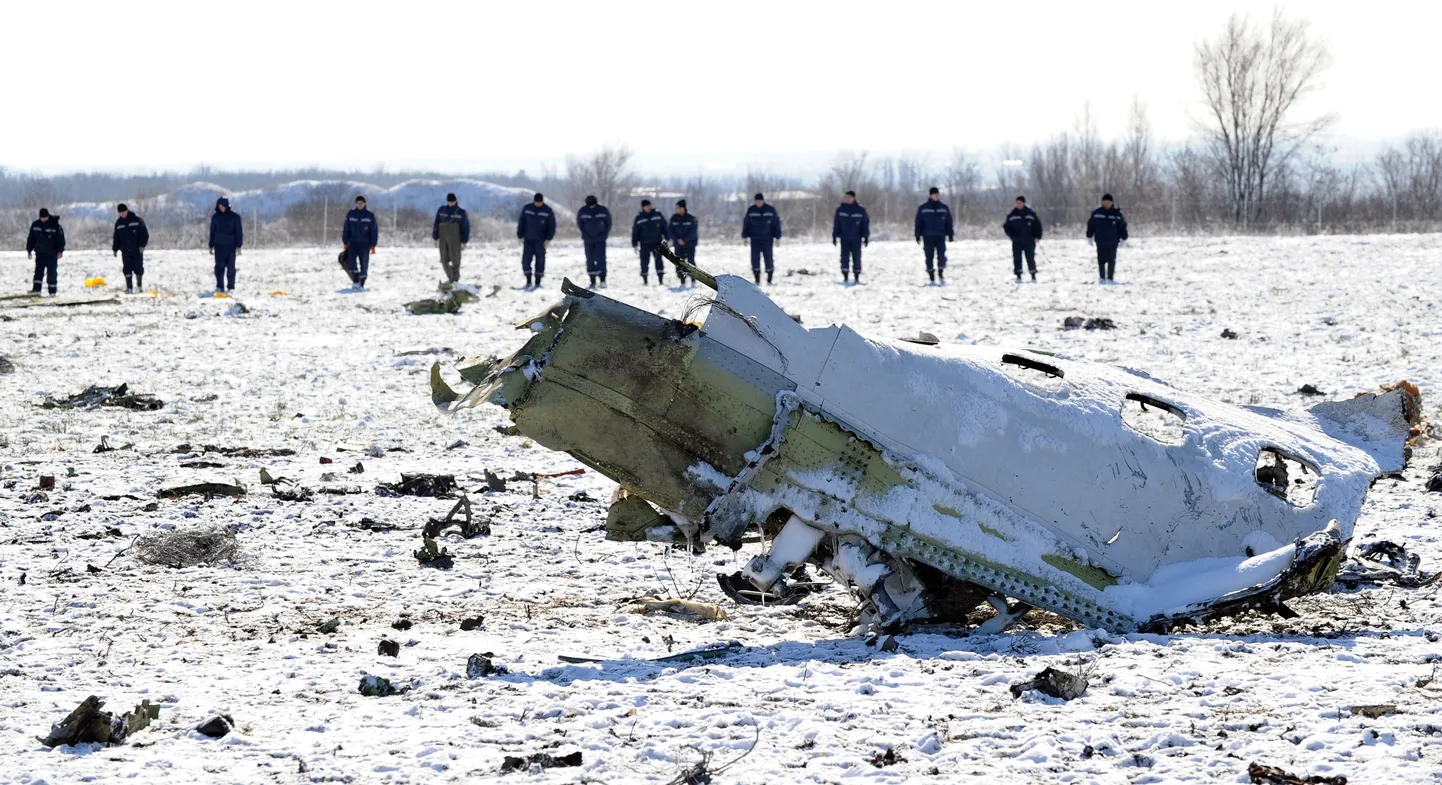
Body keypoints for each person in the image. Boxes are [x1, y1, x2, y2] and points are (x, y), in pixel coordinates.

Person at [1085, 193, 1129, 284]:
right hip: (1100, 241)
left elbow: (1122, 227)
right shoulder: (1097, 213)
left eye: (1108, 202)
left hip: (1113, 241)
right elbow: (1091, 225)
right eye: (1105, 202)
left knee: (1111, 260)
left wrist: (1124, 238)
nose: (1106, 204)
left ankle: (1110, 278)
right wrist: (1089, 236)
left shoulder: (1117, 214)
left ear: (1111, 203)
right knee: (1101, 260)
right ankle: (1101, 278)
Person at [914, 187, 954, 284]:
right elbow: (918, 223)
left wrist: (950, 234)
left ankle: (941, 273)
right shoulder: (923, 208)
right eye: (935, 194)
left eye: (938, 194)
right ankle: (931, 275)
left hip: (940, 236)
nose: (936, 196)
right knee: (929, 257)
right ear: (930, 195)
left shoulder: (944, 208)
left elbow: (949, 222)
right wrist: (917, 235)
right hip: (928, 236)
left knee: (941, 256)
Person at [741, 193, 781, 285]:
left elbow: (776, 224)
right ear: (755, 201)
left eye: (760, 201)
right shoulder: (751, 210)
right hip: (755, 239)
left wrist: (778, 237)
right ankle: (757, 279)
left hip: (768, 239)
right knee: (755, 259)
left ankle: (769, 280)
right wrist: (744, 236)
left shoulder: (770, 210)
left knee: (769, 259)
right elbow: (746, 224)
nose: (759, 203)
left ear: (763, 200)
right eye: (757, 201)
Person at [516, 192, 555, 289]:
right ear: (534, 201)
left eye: (540, 202)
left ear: (542, 201)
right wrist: (519, 234)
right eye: (536, 202)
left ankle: (538, 282)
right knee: (526, 261)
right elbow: (522, 221)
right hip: (528, 239)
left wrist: (549, 239)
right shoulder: (527, 208)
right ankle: (528, 280)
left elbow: (552, 226)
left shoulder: (547, 210)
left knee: (540, 261)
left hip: (541, 241)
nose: (538, 204)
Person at [341, 195, 379, 289]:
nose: (360, 205)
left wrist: (373, 245)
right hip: (353, 243)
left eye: (361, 203)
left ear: (364, 204)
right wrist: (345, 241)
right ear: (356, 204)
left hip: (364, 244)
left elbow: (374, 231)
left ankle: (361, 283)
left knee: (364, 264)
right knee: (351, 263)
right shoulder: (351, 214)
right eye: (358, 203)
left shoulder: (370, 216)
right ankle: (355, 280)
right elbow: (346, 229)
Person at [1002, 195, 1043, 282]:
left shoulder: (1031, 214)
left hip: (1029, 241)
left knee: (1030, 258)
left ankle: (1033, 275)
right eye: (1017, 203)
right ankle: (1018, 275)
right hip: (1017, 241)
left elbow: (1037, 226)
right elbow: (1006, 227)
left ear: (1023, 203)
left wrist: (1037, 237)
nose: (1018, 204)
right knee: (1017, 258)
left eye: (1020, 203)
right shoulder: (1012, 214)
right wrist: (1012, 236)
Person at [832, 190, 870, 284]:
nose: (848, 199)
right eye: (846, 197)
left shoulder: (860, 210)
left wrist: (866, 237)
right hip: (844, 238)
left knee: (856, 258)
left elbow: (865, 224)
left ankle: (856, 277)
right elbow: (836, 224)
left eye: (850, 197)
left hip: (856, 239)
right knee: (844, 258)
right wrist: (834, 236)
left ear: (854, 198)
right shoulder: (840, 210)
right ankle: (845, 276)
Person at [26, 208, 65, 296]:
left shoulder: (55, 225)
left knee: (52, 273)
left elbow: (61, 239)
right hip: (40, 254)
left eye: (45, 217)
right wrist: (29, 250)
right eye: (42, 218)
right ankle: (36, 290)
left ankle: (52, 292)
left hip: (52, 255)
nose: (43, 219)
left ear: (48, 216)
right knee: (38, 272)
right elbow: (31, 239)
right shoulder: (35, 225)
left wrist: (60, 251)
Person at [208, 197, 243, 294]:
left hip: (231, 247)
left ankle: (231, 287)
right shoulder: (215, 217)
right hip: (218, 246)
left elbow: (239, 232)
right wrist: (211, 245)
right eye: (219, 206)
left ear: (227, 206)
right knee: (219, 268)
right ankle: (219, 287)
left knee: (231, 268)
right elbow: (212, 232)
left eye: (223, 206)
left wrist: (239, 246)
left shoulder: (235, 217)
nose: (221, 208)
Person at [432, 193, 469, 284]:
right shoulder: (442, 210)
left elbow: (465, 227)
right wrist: (435, 237)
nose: (451, 203)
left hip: (455, 240)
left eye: (452, 201)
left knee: (455, 260)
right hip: (443, 239)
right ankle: (452, 277)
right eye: (449, 201)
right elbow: (436, 223)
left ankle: (454, 280)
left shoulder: (461, 212)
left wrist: (464, 241)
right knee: (444, 260)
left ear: (456, 201)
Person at [112, 203, 149, 293]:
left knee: (138, 268)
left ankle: (139, 286)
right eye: (121, 213)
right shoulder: (118, 223)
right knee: (127, 269)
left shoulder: (137, 220)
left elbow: (145, 234)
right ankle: (129, 288)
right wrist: (115, 248)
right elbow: (116, 237)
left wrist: (142, 245)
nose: (123, 214)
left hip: (137, 250)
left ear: (127, 211)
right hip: (125, 251)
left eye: (124, 212)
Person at [576, 195, 611, 288]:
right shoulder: (582, 211)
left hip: (600, 239)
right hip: (588, 240)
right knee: (590, 260)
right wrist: (586, 234)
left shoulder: (603, 210)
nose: (591, 207)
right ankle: (592, 281)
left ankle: (603, 280)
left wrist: (604, 234)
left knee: (601, 259)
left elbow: (608, 223)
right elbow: (580, 224)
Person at [631, 199, 669, 284]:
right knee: (644, 262)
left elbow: (665, 227)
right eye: (646, 206)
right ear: (643, 207)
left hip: (657, 243)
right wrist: (634, 244)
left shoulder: (658, 214)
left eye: (649, 205)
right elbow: (635, 232)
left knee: (659, 261)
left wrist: (667, 238)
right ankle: (645, 280)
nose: (648, 207)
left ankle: (660, 280)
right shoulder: (639, 218)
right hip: (644, 244)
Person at [668, 200, 698, 287]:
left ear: (682, 208)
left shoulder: (692, 218)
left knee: (691, 262)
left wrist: (684, 240)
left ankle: (693, 280)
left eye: (677, 208)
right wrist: (677, 240)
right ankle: (682, 281)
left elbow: (693, 232)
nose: (676, 209)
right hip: (678, 245)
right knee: (679, 263)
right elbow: (670, 231)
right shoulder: (673, 218)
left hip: (689, 244)